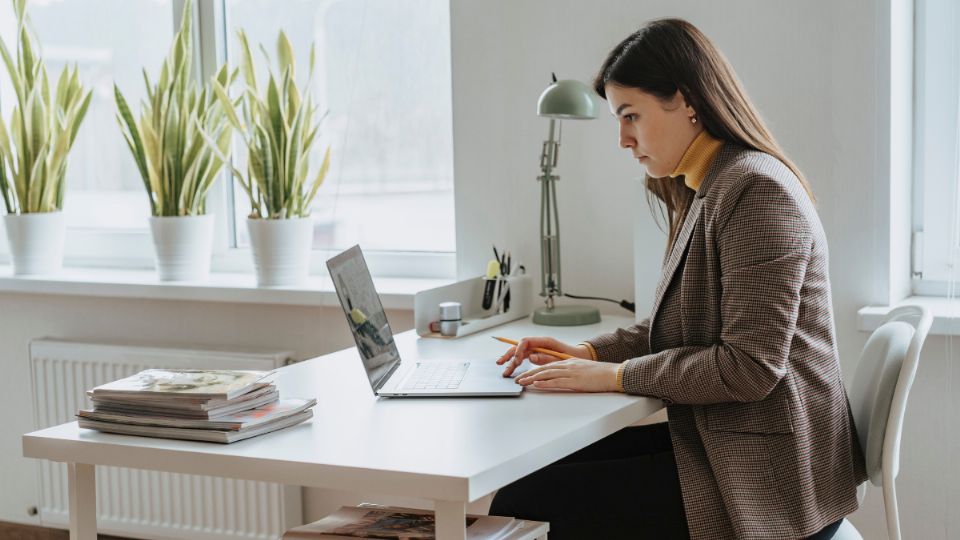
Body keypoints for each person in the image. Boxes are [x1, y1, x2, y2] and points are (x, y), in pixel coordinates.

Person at [489, 18, 867, 540]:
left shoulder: (756, 191)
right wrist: (591, 354)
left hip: (773, 475)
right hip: (726, 442)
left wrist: (618, 377)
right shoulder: (705, 186)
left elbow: (750, 367)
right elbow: (678, 329)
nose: (622, 139)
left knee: (527, 501)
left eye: (630, 116)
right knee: (528, 482)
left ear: (687, 101)